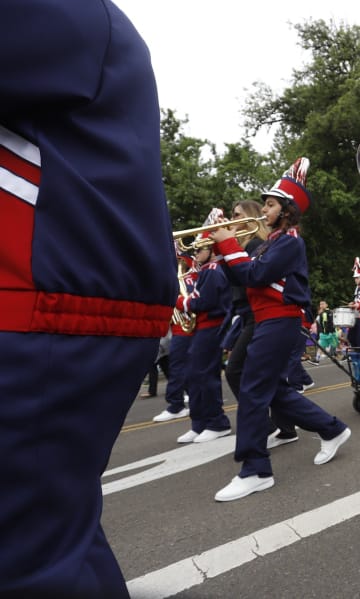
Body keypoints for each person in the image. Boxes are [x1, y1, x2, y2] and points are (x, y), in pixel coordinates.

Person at [0, 2, 177, 596]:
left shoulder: (281, 248)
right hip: (57, 300)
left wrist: (226, 249)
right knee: (45, 536)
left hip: (49, 302)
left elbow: (253, 279)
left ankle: (267, 447)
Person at [209, 157, 350, 502]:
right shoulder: (273, 241)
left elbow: (256, 276)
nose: (264, 209)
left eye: (270, 204)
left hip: (279, 319)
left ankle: (256, 469)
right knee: (271, 390)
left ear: (286, 210)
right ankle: (331, 429)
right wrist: (221, 248)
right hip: (269, 320)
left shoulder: (290, 241)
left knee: (253, 390)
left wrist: (228, 244)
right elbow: (242, 279)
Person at [174, 235, 233, 443]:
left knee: (205, 375)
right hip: (202, 328)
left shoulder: (213, 271)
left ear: (212, 250)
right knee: (192, 375)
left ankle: (217, 423)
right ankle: (199, 423)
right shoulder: (206, 271)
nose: (195, 254)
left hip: (212, 327)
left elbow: (204, 301)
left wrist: (180, 301)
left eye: (200, 249)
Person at [222, 200, 269, 402]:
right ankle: (280, 427)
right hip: (246, 314)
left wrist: (228, 244)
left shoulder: (256, 244)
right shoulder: (245, 245)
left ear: (250, 217)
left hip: (255, 314)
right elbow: (232, 280)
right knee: (259, 374)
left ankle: (263, 424)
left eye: (237, 215)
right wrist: (222, 250)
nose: (233, 219)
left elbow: (248, 277)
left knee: (235, 371)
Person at [153, 252, 195, 422]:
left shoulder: (188, 277)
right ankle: (188, 399)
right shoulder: (182, 277)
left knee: (178, 367)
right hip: (179, 327)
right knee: (181, 367)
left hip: (185, 327)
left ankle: (176, 404)